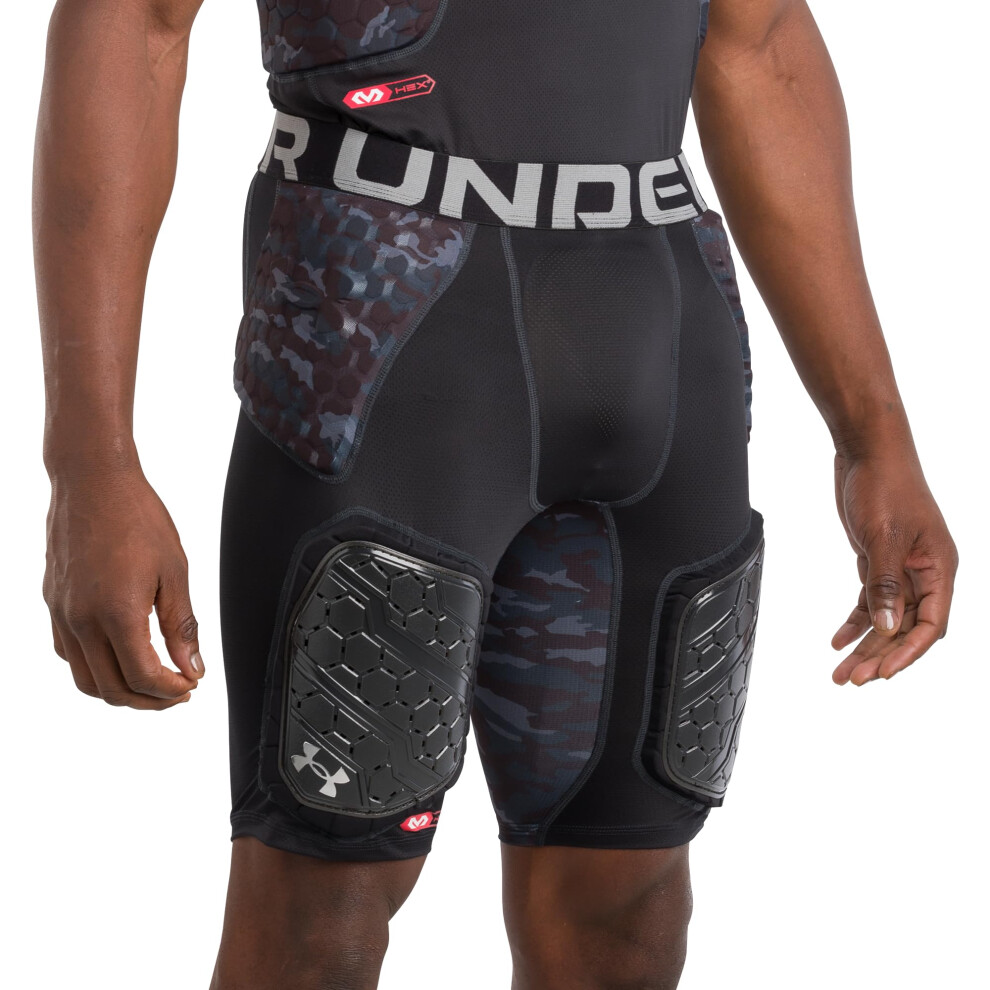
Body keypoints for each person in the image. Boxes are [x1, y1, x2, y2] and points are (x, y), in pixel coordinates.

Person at [34, 1, 958, 987]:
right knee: (320, 906)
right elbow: (134, 23)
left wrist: (874, 436)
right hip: (389, 344)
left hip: (661, 340)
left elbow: (758, 44)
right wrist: (90, 460)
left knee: (625, 909)